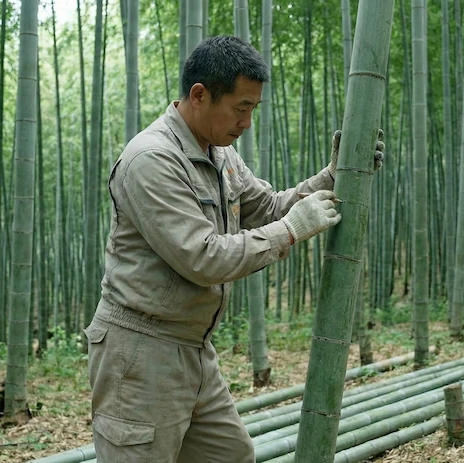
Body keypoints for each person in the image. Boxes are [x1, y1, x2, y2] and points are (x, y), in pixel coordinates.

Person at [84, 35, 383, 462]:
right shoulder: (151, 159)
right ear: (199, 95)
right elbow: (202, 258)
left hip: (194, 347)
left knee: (231, 455)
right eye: (241, 108)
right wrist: (290, 231)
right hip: (141, 351)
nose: (247, 123)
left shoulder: (219, 153)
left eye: (253, 109)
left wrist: (334, 176)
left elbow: (268, 208)